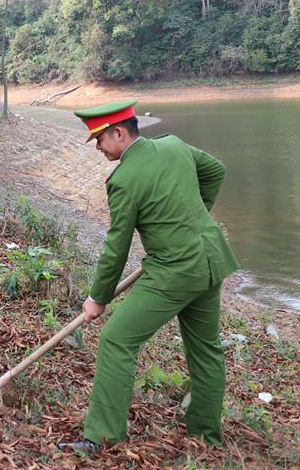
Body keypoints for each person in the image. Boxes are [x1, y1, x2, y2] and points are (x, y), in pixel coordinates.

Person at [58, 100, 239, 455]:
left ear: (119, 133)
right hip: (210, 259)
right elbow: (215, 170)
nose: (98, 147)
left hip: (175, 270)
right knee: (206, 350)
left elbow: (116, 246)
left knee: (115, 339)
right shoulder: (174, 145)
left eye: (99, 140)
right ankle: (206, 435)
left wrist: (98, 298)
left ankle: (103, 437)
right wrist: (194, 214)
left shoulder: (124, 179)